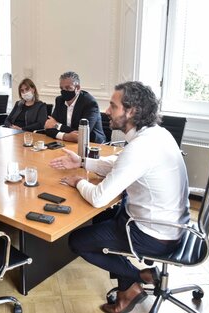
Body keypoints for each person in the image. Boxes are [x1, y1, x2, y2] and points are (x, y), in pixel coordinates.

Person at [49, 81, 190, 313]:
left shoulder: (141, 147)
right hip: (170, 223)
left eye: (113, 106)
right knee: (101, 219)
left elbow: (98, 198)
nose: (107, 111)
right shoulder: (156, 134)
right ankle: (128, 289)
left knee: (77, 241)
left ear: (131, 111)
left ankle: (136, 280)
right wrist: (83, 162)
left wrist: (77, 180)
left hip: (153, 233)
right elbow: (120, 164)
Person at [44, 71, 106, 143]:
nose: (64, 91)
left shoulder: (89, 103)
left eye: (68, 88)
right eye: (61, 88)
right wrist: (65, 136)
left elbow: (83, 134)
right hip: (68, 143)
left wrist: (57, 125)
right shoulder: (59, 100)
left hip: (93, 145)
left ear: (77, 88)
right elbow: (49, 128)